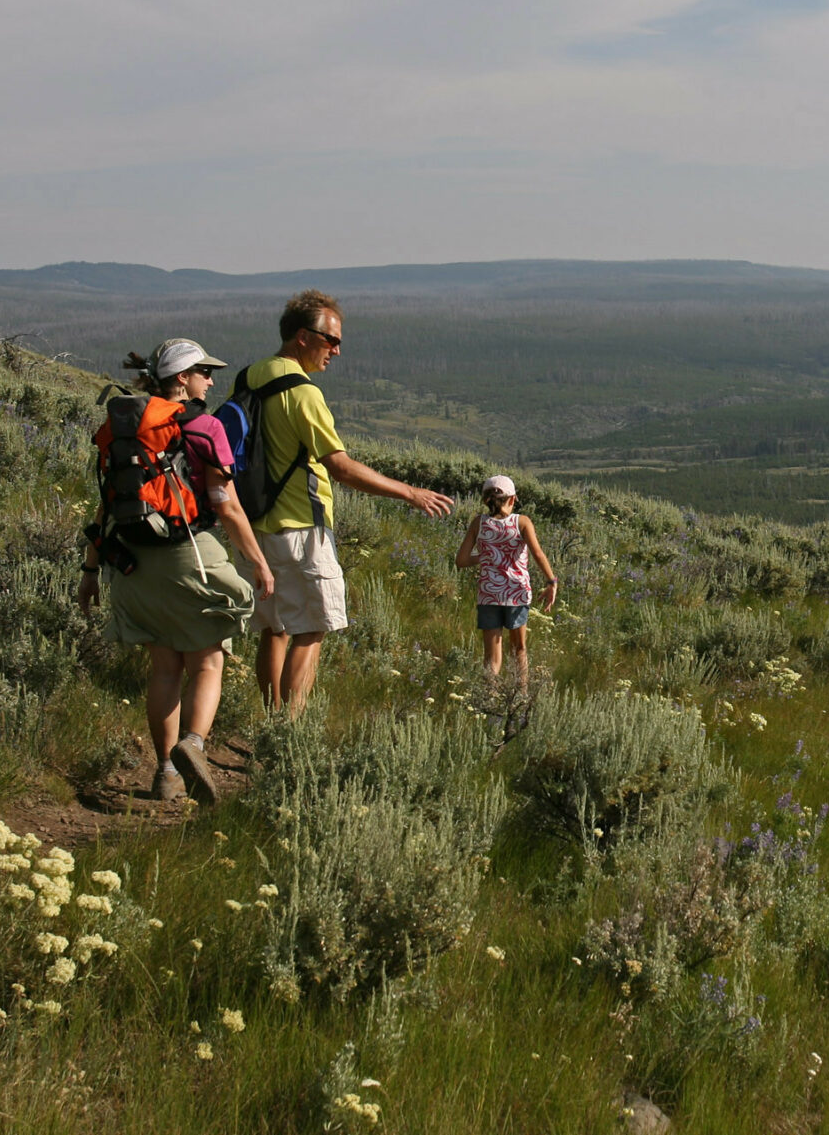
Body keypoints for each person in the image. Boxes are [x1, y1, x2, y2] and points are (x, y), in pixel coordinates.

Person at [77, 339, 275, 804]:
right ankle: (194, 744)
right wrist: (258, 563)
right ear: (181, 379)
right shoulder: (204, 426)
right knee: (207, 660)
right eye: (204, 372)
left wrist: (90, 570)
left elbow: (105, 504)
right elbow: (226, 505)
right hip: (189, 555)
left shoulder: (121, 430)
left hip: (132, 561)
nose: (210, 380)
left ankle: (166, 774)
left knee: (164, 668)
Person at [241, 290, 455, 714]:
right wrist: (410, 492)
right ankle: (292, 730)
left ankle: (270, 721)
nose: (336, 351)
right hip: (301, 527)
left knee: (274, 628)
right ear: (303, 336)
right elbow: (339, 466)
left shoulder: (250, 376)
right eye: (331, 340)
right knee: (312, 629)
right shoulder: (303, 392)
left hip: (255, 525)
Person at [454, 475, 558, 690]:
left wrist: (486, 556)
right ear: (513, 499)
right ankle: (520, 695)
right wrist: (552, 581)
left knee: (491, 658)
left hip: (488, 595)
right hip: (516, 594)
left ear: (485, 499)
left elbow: (461, 561)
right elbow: (538, 554)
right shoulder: (522, 522)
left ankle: (488, 698)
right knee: (518, 649)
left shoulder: (478, 523)